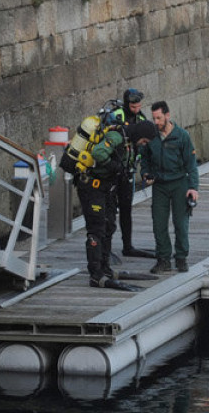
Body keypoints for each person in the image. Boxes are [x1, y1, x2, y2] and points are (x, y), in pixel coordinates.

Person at [71, 119, 142, 291]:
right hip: (91, 187)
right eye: (144, 140)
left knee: (109, 225)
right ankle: (95, 274)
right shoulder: (117, 137)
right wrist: (115, 166)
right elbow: (99, 153)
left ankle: (105, 268)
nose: (143, 144)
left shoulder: (127, 141)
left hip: (105, 187)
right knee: (96, 229)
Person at [139, 101, 200, 274]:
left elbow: (191, 165)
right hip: (159, 185)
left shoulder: (182, 136)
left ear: (167, 115)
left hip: (179, 183)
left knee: (181, 222)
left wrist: (193, 188)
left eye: (159, 118)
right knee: (159, 223)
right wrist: (145, 173)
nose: (156, 122)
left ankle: (181, 257)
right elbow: (144, 158)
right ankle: (163, 259)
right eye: (154, 118)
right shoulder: (151, 137)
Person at [109, 88, 156, 259]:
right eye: (133, 106)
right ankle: (106, 246)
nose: (137, 109)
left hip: (128, 169)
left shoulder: (141, 118)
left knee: (126, 209)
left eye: (139, 106)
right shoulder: (117, 115)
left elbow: (145, 145)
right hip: (112, 169)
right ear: (127, 104)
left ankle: (127, 245)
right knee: (110, 210)